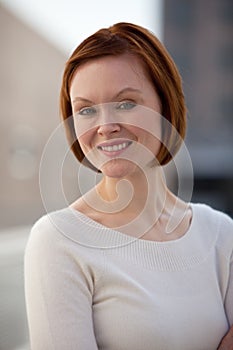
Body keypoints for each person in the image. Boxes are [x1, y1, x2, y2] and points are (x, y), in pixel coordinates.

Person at [24, 22, 233, 349]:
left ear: (165, 105)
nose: (106, 126)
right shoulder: (58, 240)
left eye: (125, 103)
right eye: (87, 109)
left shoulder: (221, 235)